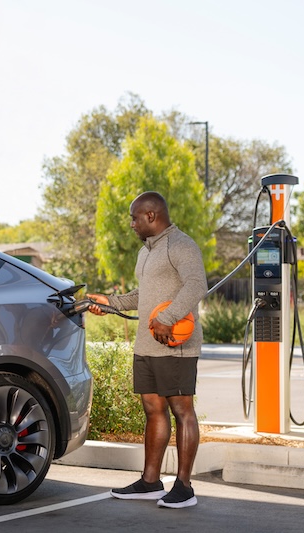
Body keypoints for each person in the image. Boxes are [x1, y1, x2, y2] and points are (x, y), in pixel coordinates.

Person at [88, 191, 207, 509]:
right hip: (146, 345)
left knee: (183, 412)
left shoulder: (181, 245)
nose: (131, 224)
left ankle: (184, 487)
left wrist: (168, 317)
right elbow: (142, 296)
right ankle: (150, 482)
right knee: (153, 411)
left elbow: (196, 284)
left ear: (151, 216)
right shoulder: (147, 253)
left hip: (175, 346)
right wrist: (109, 303)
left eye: (134, 217)